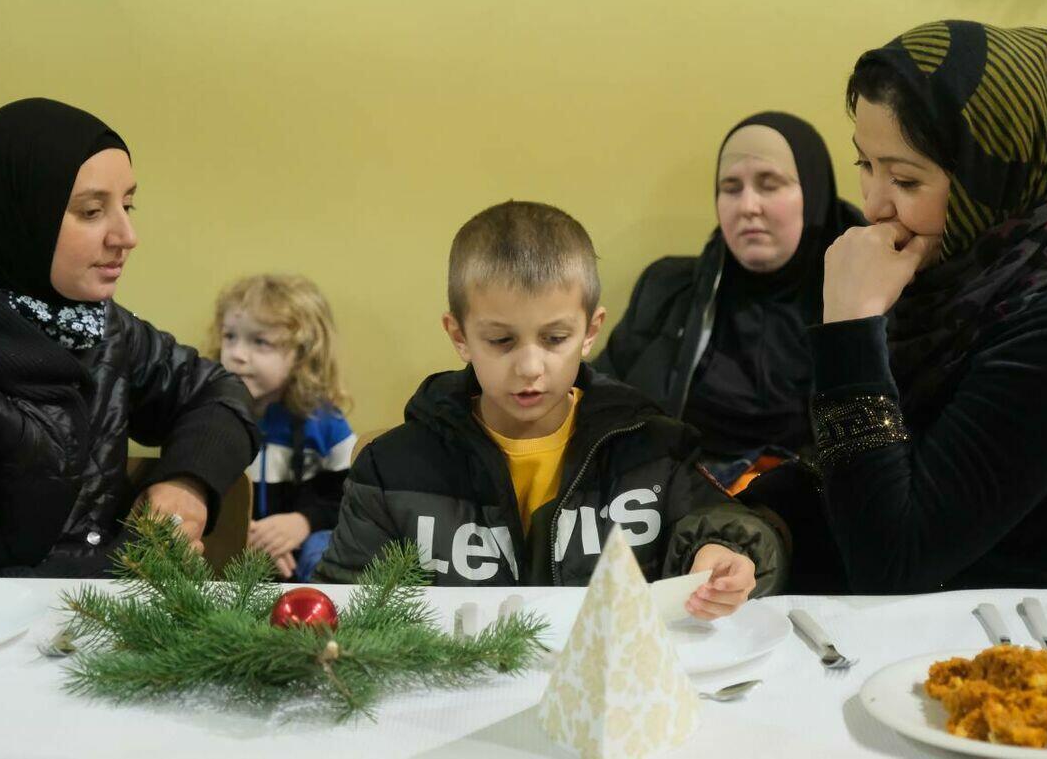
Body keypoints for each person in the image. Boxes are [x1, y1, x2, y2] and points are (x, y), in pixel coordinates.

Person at [316, 200, 788, 618]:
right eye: (501, 340)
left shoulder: (651, 450)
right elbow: (343, 605)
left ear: (590, 332)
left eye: (555, 338)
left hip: (613, 684)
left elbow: (735, 528)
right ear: (459, 336)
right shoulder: (392, 470)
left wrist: (725, 554)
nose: (529, 367)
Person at [807, 20, 1047, 592]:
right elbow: (867, 478)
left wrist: (850, 330)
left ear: (991, 175)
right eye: (866, 165)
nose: (873, 207)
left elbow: (891, 563)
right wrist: (758, 526)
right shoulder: (973, 283)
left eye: (905, 180)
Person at [0, 98, 258, 576]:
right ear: (15, 217)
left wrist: (186, 483)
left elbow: (217, 391)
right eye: (91, 211)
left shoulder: (86, 319)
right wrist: (134, 563)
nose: (127, 236)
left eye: (128, 204)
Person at [595, 113, 863, 492]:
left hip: (817, 507)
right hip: (679, 503)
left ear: (814, 195)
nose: (747, 206)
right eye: (731, 188)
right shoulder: (669, 292)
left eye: (769, 185)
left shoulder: (871, 306)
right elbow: (599, 404)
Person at [209, 274, 356, 581]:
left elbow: (352, 500)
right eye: (230, 336)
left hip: (301, 555)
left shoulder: (325, 424)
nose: (236, 354)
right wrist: (244, 535)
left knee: (326, 546)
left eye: (260, 342)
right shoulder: (209, 416)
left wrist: (302, 522)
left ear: (302, 355)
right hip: (230, 550)